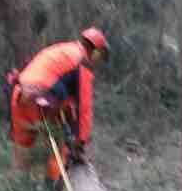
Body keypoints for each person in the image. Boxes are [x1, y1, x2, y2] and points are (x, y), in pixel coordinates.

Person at [8, 26, 110, 182]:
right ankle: (55, 184)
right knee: (57, 145)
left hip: (19, 95)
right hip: (42, 102)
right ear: (95, 52)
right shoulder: (81, 62)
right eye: (99, 57)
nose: (97, 62)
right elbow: (84, 108)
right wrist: (80, 143)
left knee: (22, 151)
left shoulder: (62, 50)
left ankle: (18, 189)